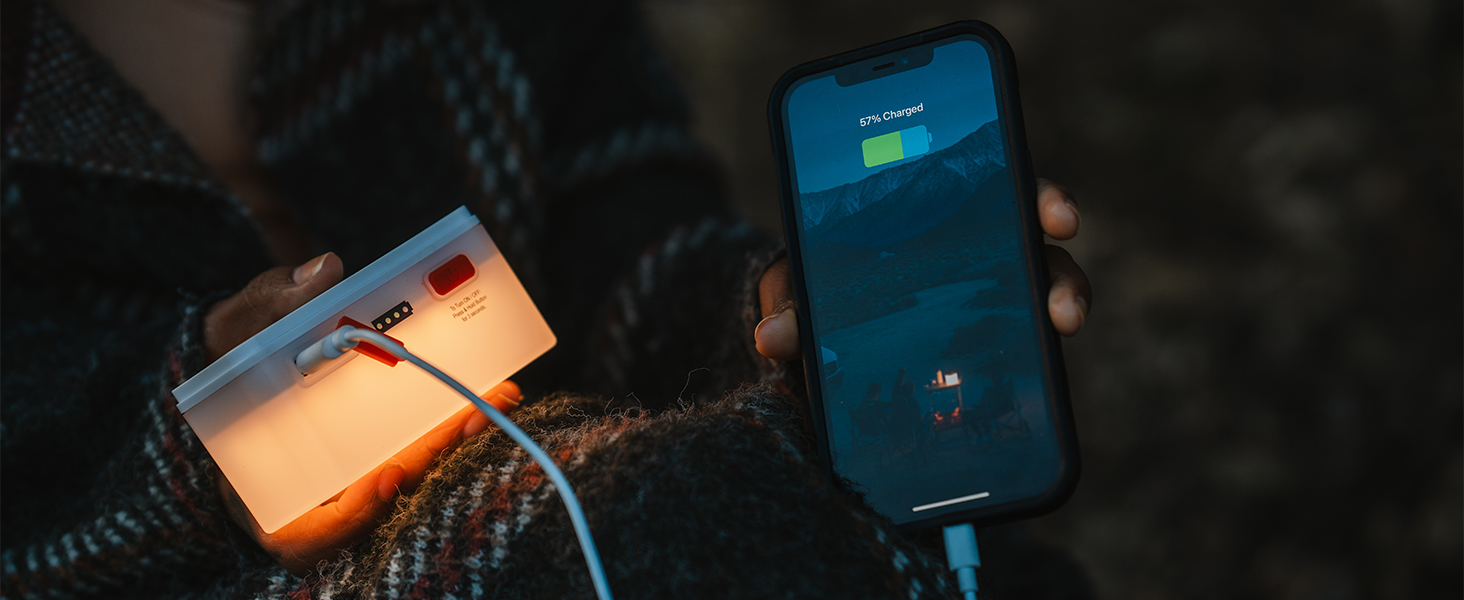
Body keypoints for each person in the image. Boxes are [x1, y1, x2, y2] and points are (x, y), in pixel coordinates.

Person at [0, 0, 1094, 597]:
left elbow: (620, 223)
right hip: (159, 568)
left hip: (575, 469)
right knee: (691, 516)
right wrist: (189, 452)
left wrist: (771, 308)